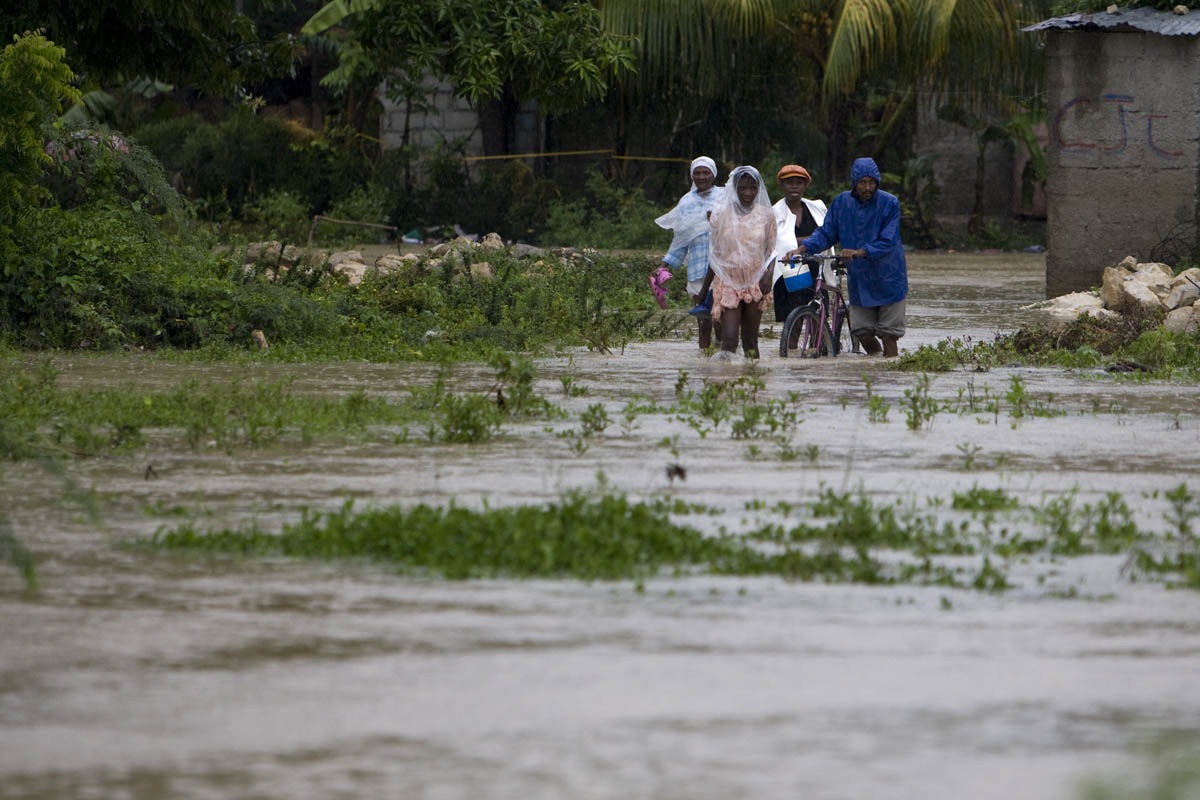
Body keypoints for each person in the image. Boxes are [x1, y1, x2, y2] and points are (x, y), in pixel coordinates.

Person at [789, 157, 908, 357]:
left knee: (889, 334)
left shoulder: (889, 203)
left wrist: (860, 252)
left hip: (888, 277)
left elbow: (888, 240)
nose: (868, 187)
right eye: (863, 182)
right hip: (860, 277)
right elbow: (827, 233)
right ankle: (876, 363)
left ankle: (889, 378)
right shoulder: (842, 202)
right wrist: (802, 248)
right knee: (862, 332)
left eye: (872, 182)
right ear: (854, 182)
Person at [702, 165, 777, 358]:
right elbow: (715, 254)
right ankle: (725, 383)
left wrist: (768, 275)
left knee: (751, 340)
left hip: (755, 280)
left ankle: (752, 384)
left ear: (758, 189)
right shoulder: (720, 215)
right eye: (742, 188)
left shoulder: (766, 215)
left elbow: (772, 251)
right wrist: (704, 291)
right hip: (728, 280)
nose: (747, 193)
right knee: (729, 338)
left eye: (752, 188)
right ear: (734, 189)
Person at [653, 157, 721, 350]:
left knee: (720, 317)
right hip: (697, 268)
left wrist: (716, 219)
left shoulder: (725, 197)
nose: (701, 177)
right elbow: (680, 241)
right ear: (692, 176)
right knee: (703, 321)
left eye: (705, 172)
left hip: (722, 267)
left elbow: (737, 226)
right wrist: (664, 265)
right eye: (697, 173)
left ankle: (723, 362)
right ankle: (704, 358)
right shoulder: (686, 202)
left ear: (713, 174)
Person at [770, 164, 830, 325]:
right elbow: (772, 242)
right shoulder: (773, 213)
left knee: (819, 321)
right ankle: (792, 349)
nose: (794, 186)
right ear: (781, 185)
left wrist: (801, 242)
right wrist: (811, 239)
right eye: (789, 182)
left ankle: (820, 350)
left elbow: (828, 233)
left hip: (816, 269)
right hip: (788, 272)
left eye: (799, 182)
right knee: (792, 322)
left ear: (805, 185)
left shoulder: (817, 208)